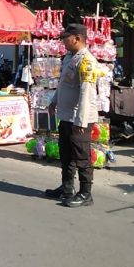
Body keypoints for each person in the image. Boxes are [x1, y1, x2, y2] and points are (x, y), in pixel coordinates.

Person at [45, 23, 100, 207]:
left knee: (82, 157)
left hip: (79, 119)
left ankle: (86, 193)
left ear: (77, 38)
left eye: (65, 38)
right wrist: (54, 101)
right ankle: (67, 188)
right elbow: (63, 85)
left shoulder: (86, 61)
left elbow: (86, 93)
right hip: (67, 116)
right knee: (66, 154)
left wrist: (81, 120)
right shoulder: (69, 57)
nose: (62, 41)